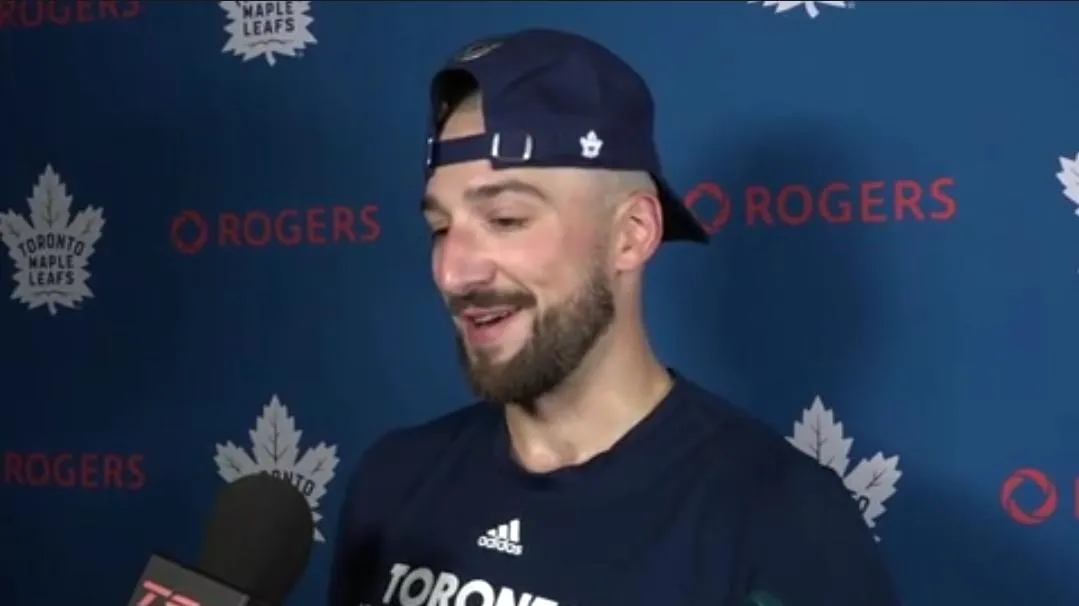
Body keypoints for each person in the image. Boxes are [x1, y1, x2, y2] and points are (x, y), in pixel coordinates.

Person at [328, 28, 899, 606]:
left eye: (505, 220)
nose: (454, 273)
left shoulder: (781, 519)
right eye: (440, 228)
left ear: (632, 234)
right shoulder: (393, 483)